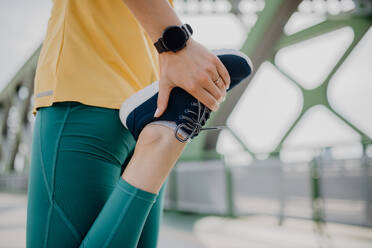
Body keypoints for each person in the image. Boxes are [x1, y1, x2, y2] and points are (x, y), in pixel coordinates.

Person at [26, 0, 252, 247]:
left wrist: (176, 44)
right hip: (153, 108)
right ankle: (158, 143)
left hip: (82, 89)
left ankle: (160, 142)